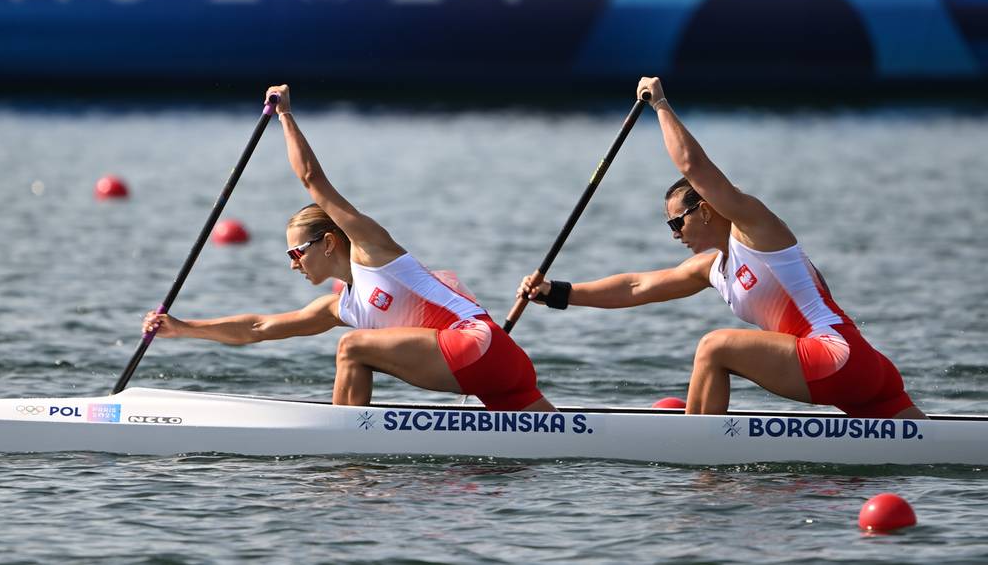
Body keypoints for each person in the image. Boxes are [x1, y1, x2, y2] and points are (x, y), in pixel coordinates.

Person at [518, 77, 924, 419]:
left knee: (714, 347)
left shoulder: (755, 228)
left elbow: (693, 167)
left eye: (678, 221)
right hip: (865, 368)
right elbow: (636, 287)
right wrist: (556, 293)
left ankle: (695, 459)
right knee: (931, 448)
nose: (675, 233)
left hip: (834, 356)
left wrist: (659, 104)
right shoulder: (712, 267)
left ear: (707, 210)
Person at [144, 85, 555, 412]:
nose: (294, 265)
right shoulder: (339, 306)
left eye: (296, 253)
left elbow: (311, 179)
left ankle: (343, 449)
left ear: (328, 242)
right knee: (562, 445)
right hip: (504, 367)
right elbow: (258, 328)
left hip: (477, 344)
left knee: (352, 346)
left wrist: (285, 115)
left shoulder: (373, 251)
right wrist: (183, 328)